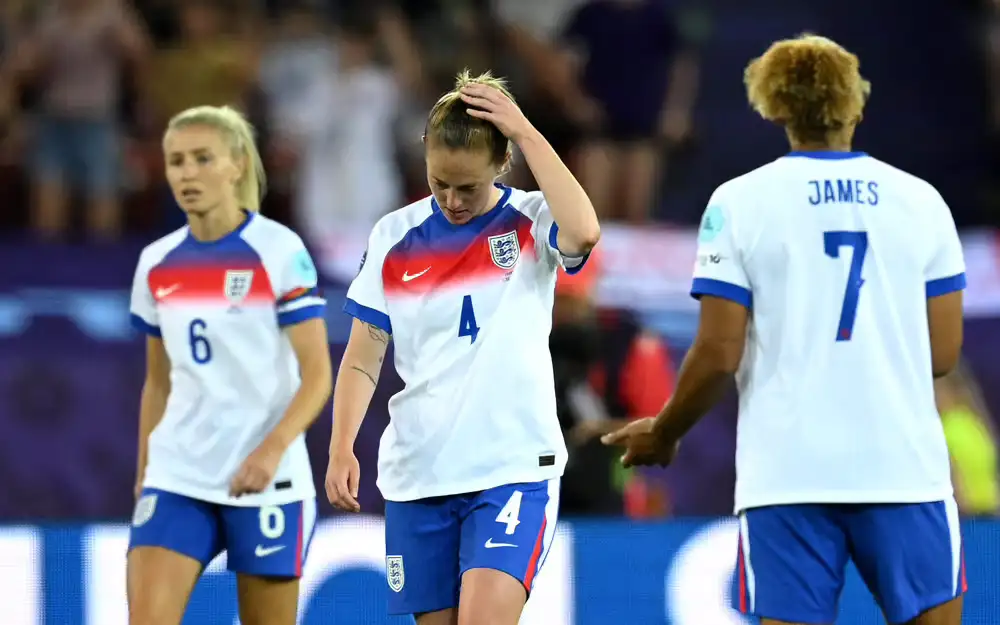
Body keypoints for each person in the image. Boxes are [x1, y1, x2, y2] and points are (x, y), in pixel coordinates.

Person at [603, 34, 967, 625]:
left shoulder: (739, 203)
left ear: (772, 109)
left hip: (787, 473)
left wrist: (666, 431)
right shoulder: (922, 202)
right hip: (903, 468)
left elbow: (720, 352)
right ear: (857, 105)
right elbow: (944, 353)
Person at [325, 69, 600, 624]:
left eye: (467, 187)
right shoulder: (393, 237)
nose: (451, 199)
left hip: (511, 467)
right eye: (438, 182)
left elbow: (585, 231)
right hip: (419, 472)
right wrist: (341, 445)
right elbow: (362, 354)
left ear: (502, 164)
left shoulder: (528, 220)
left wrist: (524, 130)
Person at [126, 104, 333, 625]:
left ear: (237, 164)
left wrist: (270, 451)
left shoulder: (277, 251)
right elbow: (159, 381)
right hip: (179, 476)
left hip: (268, 479)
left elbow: (317, 375)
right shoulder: (156, 262)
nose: (186, 173)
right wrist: (146, 470)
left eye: (202, 158)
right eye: (176, 162)